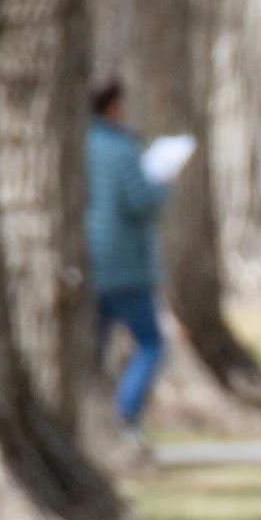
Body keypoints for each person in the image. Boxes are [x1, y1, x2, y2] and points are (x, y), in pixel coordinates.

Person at [85, 77, 171, 427]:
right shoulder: (123, 149)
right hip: (125, 267)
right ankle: (125, 414)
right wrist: (162, 185)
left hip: (89, 262)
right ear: (114, 107)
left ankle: (95, 417)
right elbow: (140, 201)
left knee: (93, 349)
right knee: (151, 344)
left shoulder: (80, 145)